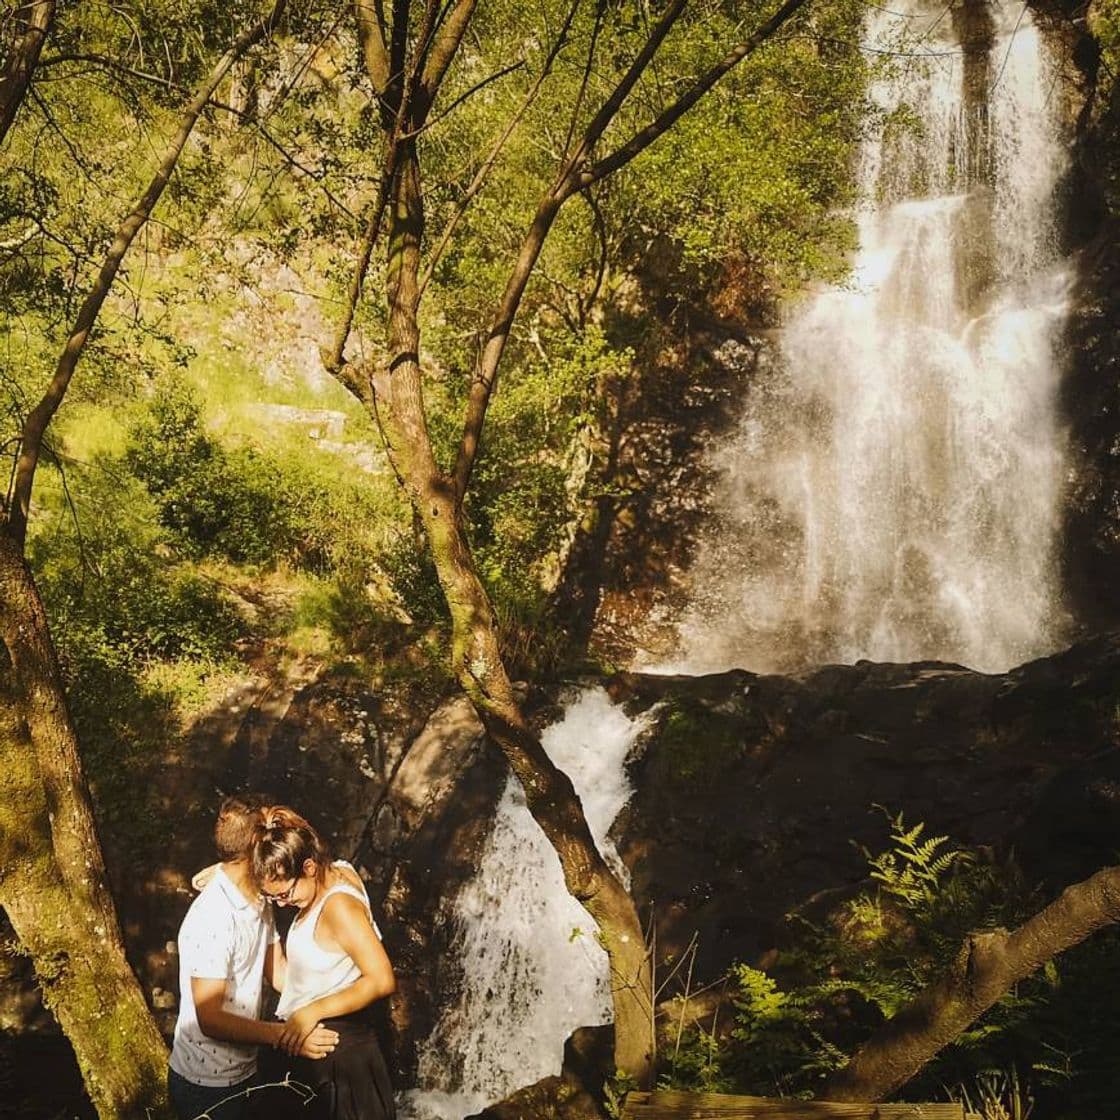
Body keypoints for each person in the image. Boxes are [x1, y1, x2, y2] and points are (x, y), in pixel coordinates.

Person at [168, 794, 340, 1120]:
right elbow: (210, 1019)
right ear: (255, 846)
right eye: (269, 835)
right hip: (207, 1087)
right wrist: (285, 1036)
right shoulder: (213, 918)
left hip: (245, 1071)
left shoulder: (260, 895)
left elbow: (277, 971)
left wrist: (328, 1005)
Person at [252, 806, 396, 1120]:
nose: (282, 903)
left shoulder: (338, 907)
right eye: (273, 897)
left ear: (309, 867)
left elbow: (382, 978)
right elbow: (286, 828)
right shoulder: (339, 868)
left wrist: (311, 1012)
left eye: (285, 893)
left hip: (339, 1051)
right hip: (321, 1044)